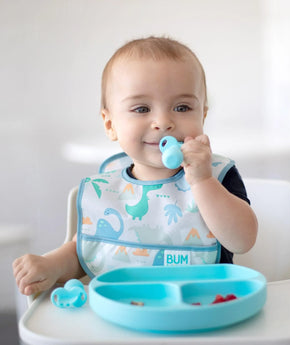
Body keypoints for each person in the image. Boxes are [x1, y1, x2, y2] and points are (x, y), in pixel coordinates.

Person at [13, 36, 258, 296]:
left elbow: (242, 241)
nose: (163, 122)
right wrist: (51, 264)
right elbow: (86, 250)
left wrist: (202, 181)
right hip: (124, 315)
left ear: (203, 115)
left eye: (182, 107)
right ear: (110, 125)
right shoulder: (107, 187)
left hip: (203, 310)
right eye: (141, 109)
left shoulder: (216, 175)